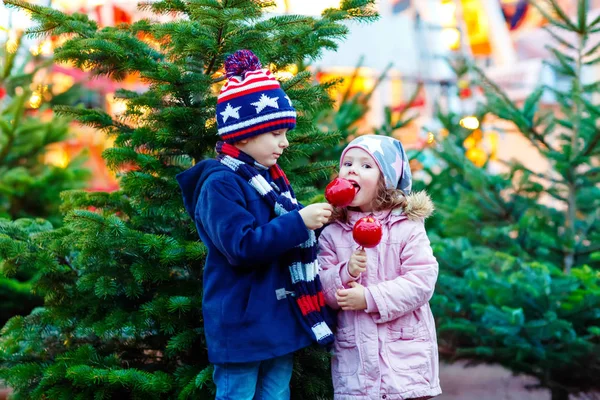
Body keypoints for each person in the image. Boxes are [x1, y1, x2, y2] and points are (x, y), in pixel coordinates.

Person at [176, 50, 334, 400]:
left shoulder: (270, 179)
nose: (285, 143)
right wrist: (299, 222)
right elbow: (241, 247)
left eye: (285, 133)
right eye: (276, 133)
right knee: (237, 395)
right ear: (245, 134)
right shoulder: (220, 183)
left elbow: (282, 235)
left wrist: (313, 223)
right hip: (242, 323)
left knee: (276, 393)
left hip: (277, 318)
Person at [318, 135, 442, 400]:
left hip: (404, 364)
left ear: (385, 180)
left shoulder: (407, 227)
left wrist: (369, 297)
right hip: (357, 368)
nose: (352, 169)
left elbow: (422, 281)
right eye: (347, 163)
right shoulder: (332, 234)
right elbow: (322, 289)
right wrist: (345, 272)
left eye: (366, 165)